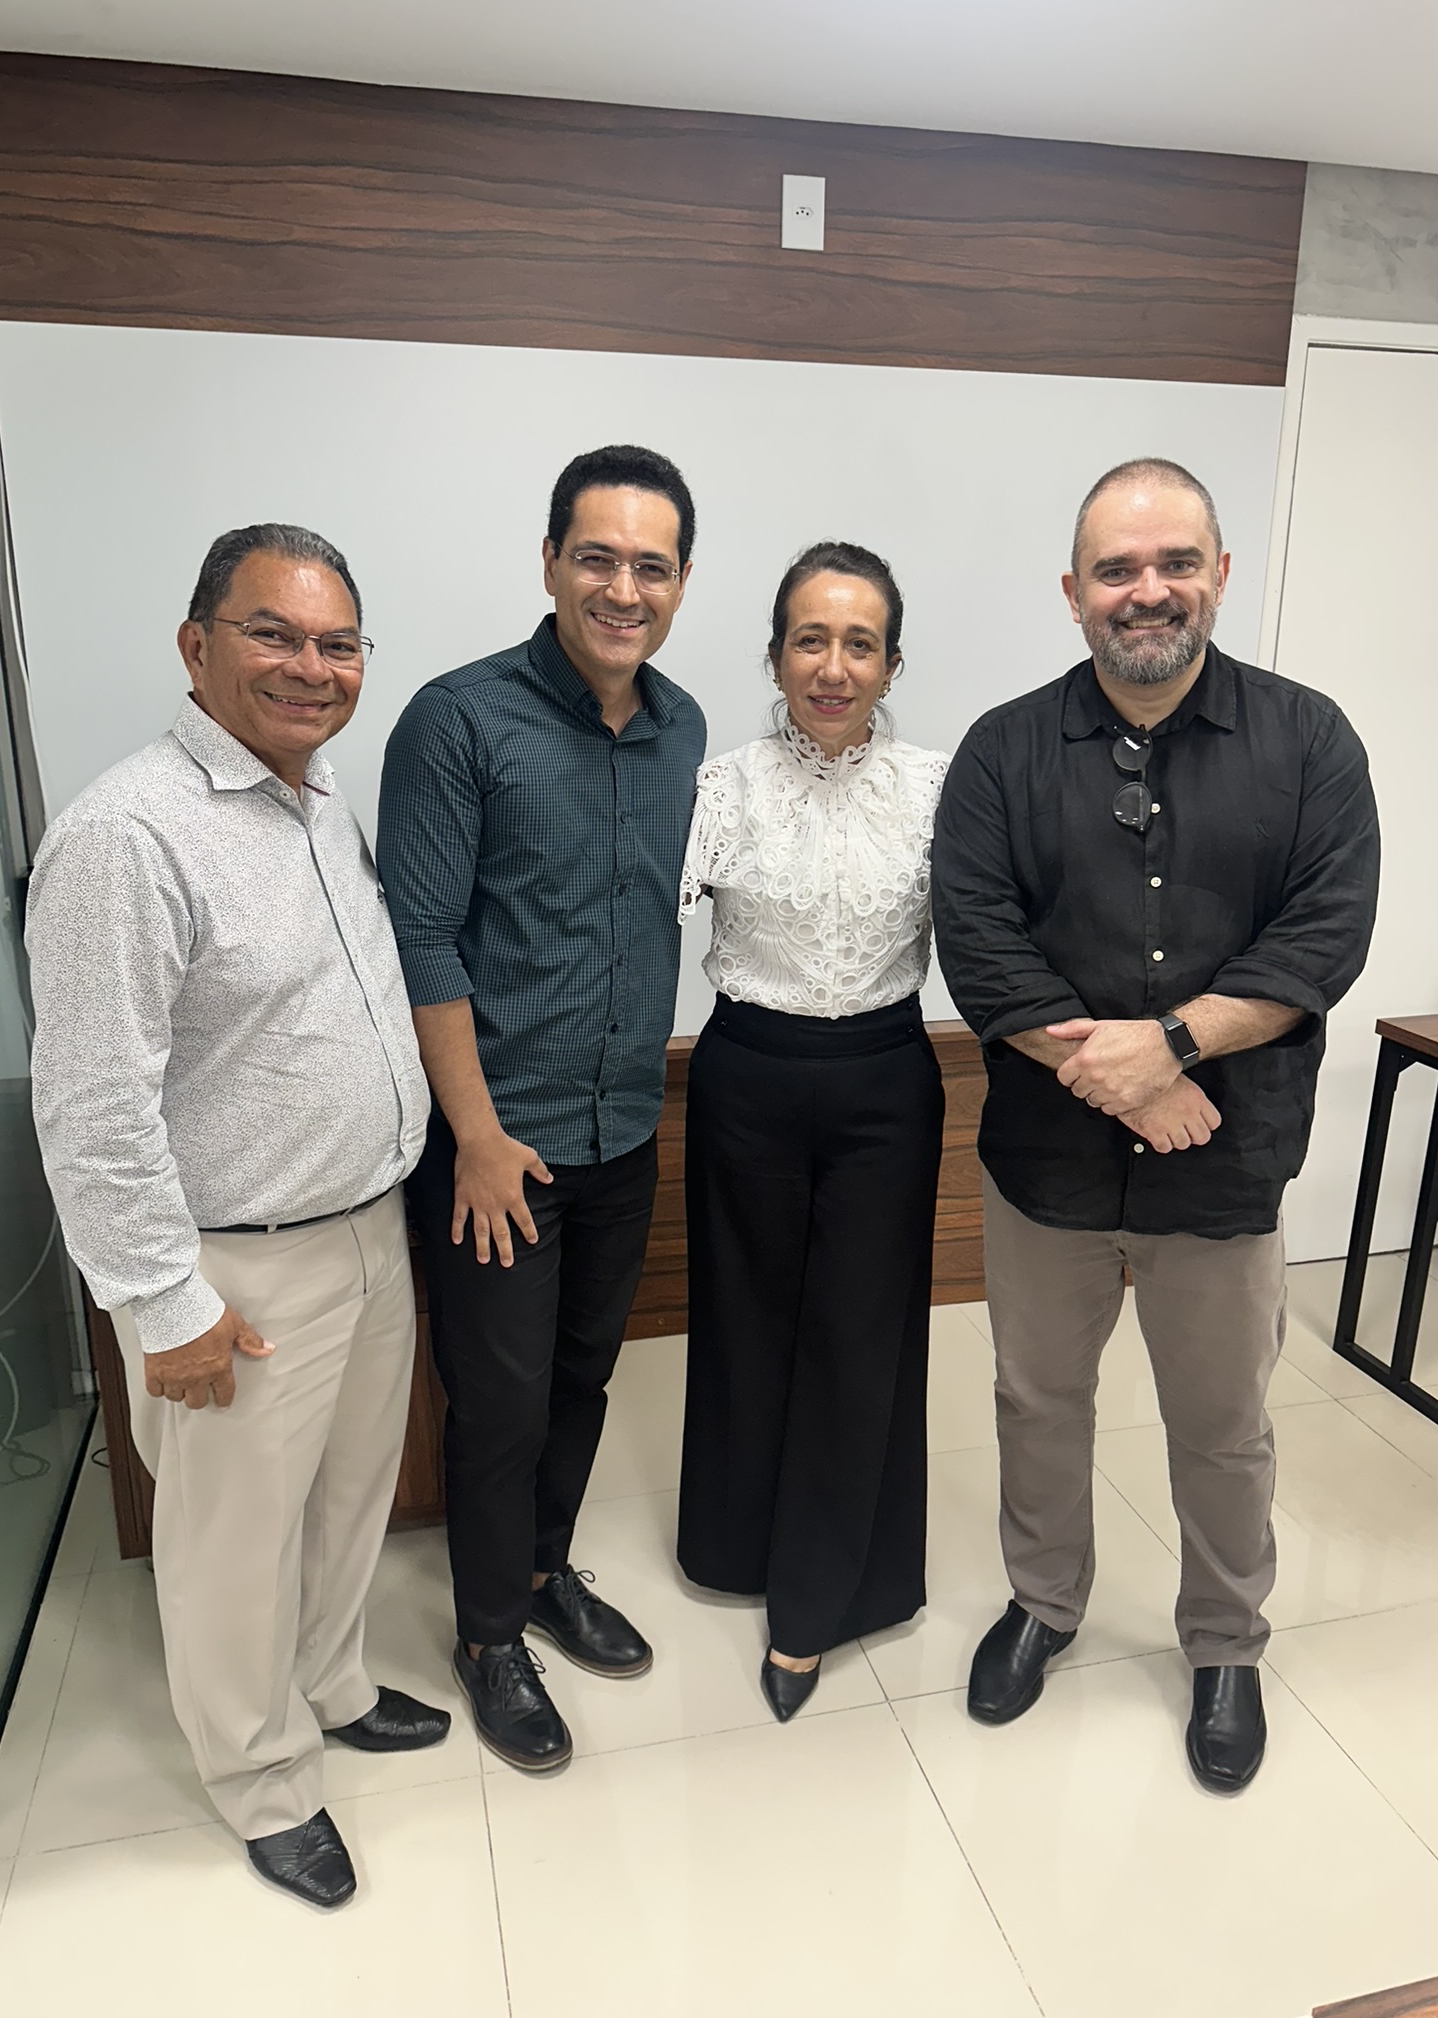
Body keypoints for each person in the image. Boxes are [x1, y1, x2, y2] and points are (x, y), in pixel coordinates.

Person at [932, 459, 1379, 1791]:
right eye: (1117, 568)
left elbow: (1324, 937)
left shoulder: (1311, 743)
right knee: (1036, 1401)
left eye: (1176, 561)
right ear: (1073, 592)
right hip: (1047, 1171)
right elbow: (980, 946)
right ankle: (1044, 1603)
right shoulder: (1002, 751)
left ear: (1219, 575)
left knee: (1223, 1424)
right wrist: (1125, 1077)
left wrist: (1172, 1046)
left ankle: (1226, 1643)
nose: (1148, 590)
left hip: (1223, 1161)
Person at [26, 525, 448, 1910]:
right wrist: (165, 1304)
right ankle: (263, 1778)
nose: (310, 667)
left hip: (366, 1230)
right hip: (236, 1270)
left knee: (348, 1501)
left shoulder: (318, 802)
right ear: (196, 645)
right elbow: (92, 1104)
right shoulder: (125, 836)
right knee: (229, 1549)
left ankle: (331, 1684)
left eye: (337, 643)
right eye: (274, 633)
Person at [378, 445, 705, 1772]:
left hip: (624, 1126)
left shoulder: (684, 729)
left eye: (651, 565)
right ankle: (486, 1634)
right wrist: (472, 1136)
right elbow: (423, 939)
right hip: (494, 1145)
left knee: (582, 1375)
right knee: (502, 1401)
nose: (624, 588)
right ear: (553, 561)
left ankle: (541, 1569)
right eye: (598, 558)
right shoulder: (457, 720)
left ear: (681, 580)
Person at [676, 541, 948, 1722]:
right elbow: (626, 916)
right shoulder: (720, 784)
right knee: (743, 1323)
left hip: (886, 1079)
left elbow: (997, 930)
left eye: (860, 644)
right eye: (810, 639)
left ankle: (824, 1594)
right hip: (746, 1075)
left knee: (860, 1334)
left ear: (891, 663)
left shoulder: (940, 788)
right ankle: (738, 1543)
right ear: (777, 653)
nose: (833, 666)